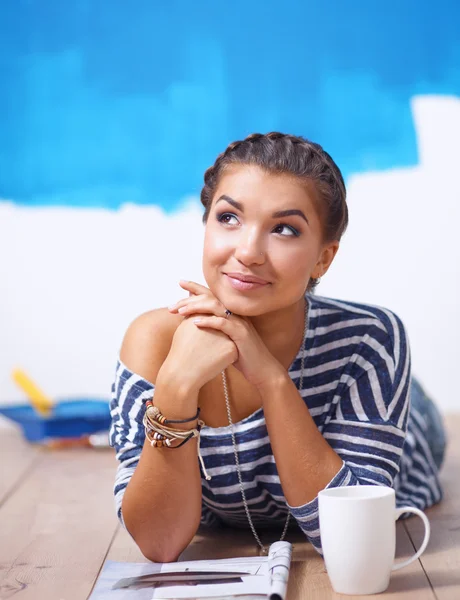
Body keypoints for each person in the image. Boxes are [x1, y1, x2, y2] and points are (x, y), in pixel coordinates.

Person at [109, 132, 446, 563]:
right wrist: (175, 387)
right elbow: (158, 542)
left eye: (284, 229)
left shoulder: (371, 337)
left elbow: (354, 539)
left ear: (323, 258)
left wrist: (270, 377)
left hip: (399, 430)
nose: (248, 252)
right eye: (229, 218)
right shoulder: (153, 343)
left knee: (409, 415)